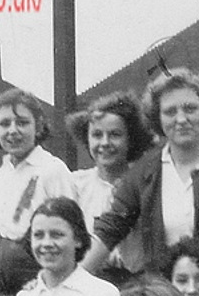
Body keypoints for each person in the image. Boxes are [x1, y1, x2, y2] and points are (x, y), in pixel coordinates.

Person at [82, 67, 199, 277]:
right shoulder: (144, 172)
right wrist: (76, 280)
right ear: (158, 118)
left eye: (190, 109)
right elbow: (111, 228)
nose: (181, 119)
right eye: (170, 112)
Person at [0, 88, 75, 296]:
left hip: (46, 277)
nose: (13, 131)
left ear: (38, 126)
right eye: (4, 124)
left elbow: (73, 232)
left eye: (22, 122)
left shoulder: (52, 170)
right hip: (4, 283)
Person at [66, 91, 154, 284]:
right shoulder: (76, 184)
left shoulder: (144, 183)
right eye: (97, 135)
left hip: (136, 281)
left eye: (115, 135)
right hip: (89, 279)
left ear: (131, 139)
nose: (104, 143)